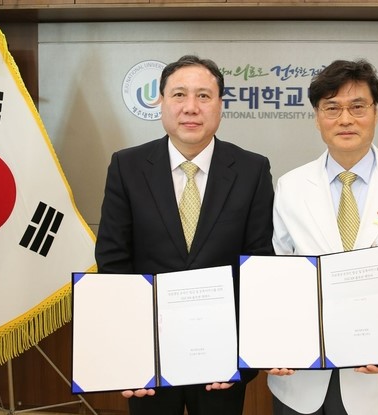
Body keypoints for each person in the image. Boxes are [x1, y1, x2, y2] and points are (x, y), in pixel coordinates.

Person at [95, 55, 274, 415]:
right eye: (179, 95)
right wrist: (128, 354)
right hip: (151, 355)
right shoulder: (127, 166)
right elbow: (114, 261)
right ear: (161, 101)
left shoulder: (252, 169)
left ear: (220, 104)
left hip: (222, 358)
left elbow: (258, 263)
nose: (191, 107)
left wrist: (243, 357)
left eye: (204, 96)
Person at [268, 59, 378, 415]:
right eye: (332, 108)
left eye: (357, 107)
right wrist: (280, 341)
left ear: (376, 113)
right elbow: (278, 273)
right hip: (300, 376)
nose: (345, 119)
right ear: (317, 117)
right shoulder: (290, 186)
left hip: (375, 375)